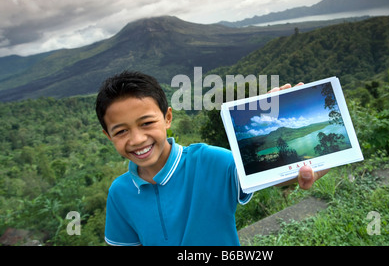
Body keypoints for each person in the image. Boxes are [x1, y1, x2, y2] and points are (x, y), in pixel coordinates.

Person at [95, 71, 328, 246]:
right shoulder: (120, 193)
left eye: (146, 123)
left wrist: (310, 164)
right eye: (121, 131)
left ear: (167, 118)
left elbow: (265, 173)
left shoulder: (212, 161)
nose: (136, 139)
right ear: (108, 135)